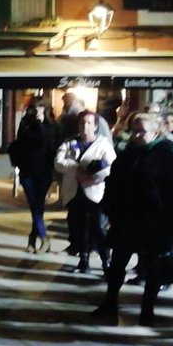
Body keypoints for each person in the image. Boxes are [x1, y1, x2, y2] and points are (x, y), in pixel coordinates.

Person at [91, 112, 173, 326]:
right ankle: (110, 302)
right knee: (118, 263)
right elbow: (114, 184)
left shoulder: (167, 156)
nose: (136, 135)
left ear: (155, 131)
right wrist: (108, 210)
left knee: (153, 267)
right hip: (127, 218)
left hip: (156, 220)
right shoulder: (127, 153)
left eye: (141, 131)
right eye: (134, 131)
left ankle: (147, 309)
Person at [54, 111, 116, 273]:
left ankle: (106, 262)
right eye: (82, 123)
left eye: (89, 123)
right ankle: (83, 260)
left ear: (95, 126)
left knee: (99, 229)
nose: (85, 126)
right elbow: (58, 162)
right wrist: (78, 169)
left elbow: (111, 168)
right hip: (75, 192)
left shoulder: (103, 144)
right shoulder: (70, 142)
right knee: (79, 228)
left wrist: (93, 176)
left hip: (95, 193)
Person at [7, 98, 58, 253]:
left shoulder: (52, 125)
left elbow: (47, 142)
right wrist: (35, 124)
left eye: (41, 107)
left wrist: (41, 124)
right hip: (27, 170)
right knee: (35, 206)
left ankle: (33, 239)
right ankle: (43, 238)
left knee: (38, 207)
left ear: (46, 108)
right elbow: (23, 143)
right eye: (35, 107)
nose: (38, 111)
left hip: (44, 171)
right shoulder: (25, 124)